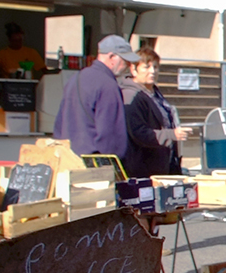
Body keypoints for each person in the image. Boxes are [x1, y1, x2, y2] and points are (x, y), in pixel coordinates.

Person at [53, 34, 138, 158]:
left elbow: (59, 123)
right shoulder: (108, 85)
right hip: (94, 162)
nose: (128, 66)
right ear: (112, 57)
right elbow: (111, 134)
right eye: (125, 61)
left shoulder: (75, 78)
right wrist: (112, 162)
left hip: (68, 158)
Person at [120, 47, 191, 178]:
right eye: (146, 67)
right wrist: (171, 134)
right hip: (143, 170)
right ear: (133, 69)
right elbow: (138, 133)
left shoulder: (155, 93)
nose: (152, 71)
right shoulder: (131, 95)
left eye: (156, 67)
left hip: (164, 165)